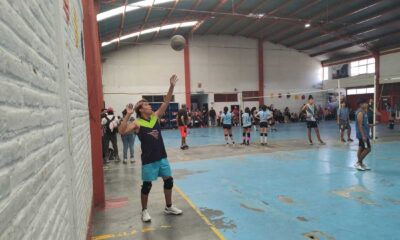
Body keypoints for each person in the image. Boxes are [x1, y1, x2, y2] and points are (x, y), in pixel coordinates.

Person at [119, 74, 183, 222]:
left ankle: (168, 206)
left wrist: (172, 86)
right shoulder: (137, 123)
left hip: (162, 156)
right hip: (149, 160)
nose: (149, 105)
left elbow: (166, 101)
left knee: (169, 181)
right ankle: (144, 211)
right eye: (146, 104)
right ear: (141, 110)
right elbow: (122, 131)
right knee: (147, 186)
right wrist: (128, 115)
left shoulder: (155, 117)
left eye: (148, 104)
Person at [355, 99, 372, 171]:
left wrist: (371, 125)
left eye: (367, 103)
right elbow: (360, 125)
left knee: (361, 148)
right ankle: (358, 163)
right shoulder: (360, 113)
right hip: (362, 134)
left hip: (364, 133)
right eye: (365, 103)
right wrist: (363, 136)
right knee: (368, 149)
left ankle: (361, 163)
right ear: (361, 104)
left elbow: (364, 124)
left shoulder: (364, 112)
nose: (367, 104)